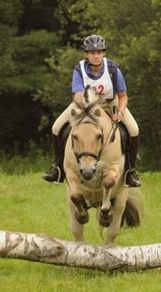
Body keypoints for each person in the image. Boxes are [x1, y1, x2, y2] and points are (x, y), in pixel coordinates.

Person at [43, 34, 141, 187]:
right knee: (56, 127)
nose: (96, 56)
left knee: (134, 129)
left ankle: (130, 171)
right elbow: (78, 95)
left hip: (110, 103)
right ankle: (57, 169)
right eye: (92, 53)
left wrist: (120, 112)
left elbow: (123, 95)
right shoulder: (79, 69)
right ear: (86, 54)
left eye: (99, 52)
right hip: (84, 104)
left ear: (104, 53)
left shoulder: (113, 69)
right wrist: (88, 107)